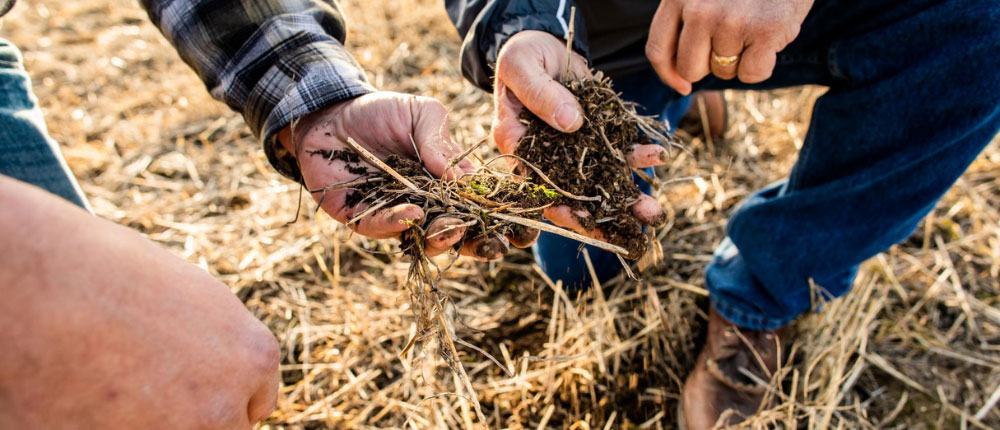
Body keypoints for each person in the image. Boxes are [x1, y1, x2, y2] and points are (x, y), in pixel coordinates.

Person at [445, 0, 1000, 427]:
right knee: (579, 266)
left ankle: (760, 296)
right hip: (589, 38)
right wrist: (524, 22)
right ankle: (674, 90)